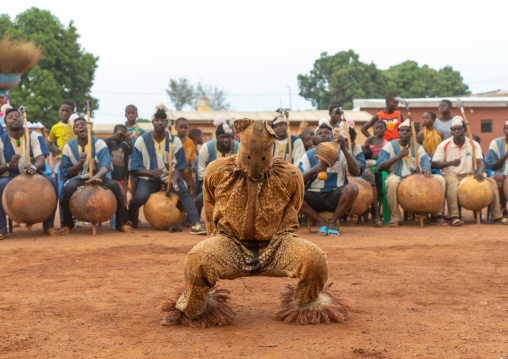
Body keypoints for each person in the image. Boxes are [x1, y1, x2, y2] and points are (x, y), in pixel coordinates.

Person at [159, 119, 350, 327]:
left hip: (277, 245)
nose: (255, 167)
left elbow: (293, 211)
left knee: (315, 260)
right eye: (250, 157)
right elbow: (210, 208)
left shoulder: (290, 175)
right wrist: (214, 243)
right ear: (241, 147)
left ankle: (307, 303)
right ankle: (192, 308)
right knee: (197, 259)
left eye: (262, 158)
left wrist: (281, 235)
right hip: (230, 243)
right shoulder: (217, 171)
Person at [127, 104, 206, 234]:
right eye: (157, 120)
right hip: (148, 179)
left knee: (184, 191)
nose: (159, 122)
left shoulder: (174, 141)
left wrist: (174, 179)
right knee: (140, 196)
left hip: (170, 178)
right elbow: (135, 168)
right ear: (152, 122)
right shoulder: (141, 141)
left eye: (162, 120)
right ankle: (129, 218)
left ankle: (196, 224)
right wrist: (151, 172)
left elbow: (180, 166)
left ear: (166, 122)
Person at [59, 117, 134, 234]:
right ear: (74, 131)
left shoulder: (99, 143)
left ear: (88, 128)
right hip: (78, 178)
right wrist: (80, 163)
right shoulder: (68, 147)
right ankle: (67, 224)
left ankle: (121, 223)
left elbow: (105, 166)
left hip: (98, 176)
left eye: (83, 124)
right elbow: (66, 172)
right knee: (67, 189)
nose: (80, 126)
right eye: (77, 125)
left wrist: (96, 176)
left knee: (115, 187)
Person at [432, 117, 508, 226]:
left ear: (465, 130)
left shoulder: (473, 144)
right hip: (451, 174)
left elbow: (480, 161)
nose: (457, 131)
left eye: (459, 129)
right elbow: (434, 163)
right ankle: (454, 216)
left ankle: (497, 216)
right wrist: (450, 163)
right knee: (453, 184)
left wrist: (480, 172)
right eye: (454, 129)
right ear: (451, 131)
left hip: (469, 175)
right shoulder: (444, 144)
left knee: (492, 183)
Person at [0, 108, 59, 239]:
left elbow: (41, 158)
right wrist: (10, 165)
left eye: (17, 116)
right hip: (10, 177)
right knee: (0, 186)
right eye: (11, 117)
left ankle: (48, 225)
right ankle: (1, 228)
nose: (15, 118)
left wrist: (33, 167)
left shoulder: (34, 136)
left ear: (22, 119)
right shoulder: (0, 141)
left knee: (53, 182)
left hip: (34, 174)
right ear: (5, 123)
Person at [376, 120, 446, 226]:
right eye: (402, 130)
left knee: (440, 179)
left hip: (416, 179)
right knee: (392, 182)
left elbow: (425, 161)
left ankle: (436, 215)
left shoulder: (417, 147)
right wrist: (398, 156)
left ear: (411, 133)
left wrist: (426, 168)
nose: (404, 133)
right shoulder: (389, 146)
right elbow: (380, 166)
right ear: (398, 132)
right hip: (397, 176)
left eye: (407, 130)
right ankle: (395, 217)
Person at [298, 121, 361, 236]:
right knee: (292, 193)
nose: (323, 135)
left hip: (335, 197)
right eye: (320, 133)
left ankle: (332, 222)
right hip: (313, 197)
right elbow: (298, 180)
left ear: (333, 137)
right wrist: (315, 169)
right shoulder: (308, 155)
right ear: (315, 139)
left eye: (327, 133)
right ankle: (320, 221)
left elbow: (357, 172)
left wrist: (345, 149)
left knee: (352, 188)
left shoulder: (341, 153)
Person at [104, 124, 133, 207]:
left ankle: (122, 215)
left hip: (122, 177)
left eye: (125, 133)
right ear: (114, 133)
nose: (122, 135)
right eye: (120, 133)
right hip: (110, 176)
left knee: (123, 197)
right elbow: (99, 143)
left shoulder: (125, 146)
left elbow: (132, 150)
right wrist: (114, 137)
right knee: (112, 198)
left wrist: (128, 138)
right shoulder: (108, 143)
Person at [484, 120, 508, 216]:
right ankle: (503, 210)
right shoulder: (495, 143)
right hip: (501, 174)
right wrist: (506, 155)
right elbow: (491, 165)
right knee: (498, 179)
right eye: (507, 128)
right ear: (504, 130)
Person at [174, 117, 197, 197]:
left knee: (188, 189)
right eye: (181, 127)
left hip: (187, 171)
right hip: (175, 170)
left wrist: (193, 166)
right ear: (175, 127)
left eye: (185, 128)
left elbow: (191, 157)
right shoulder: (172, 141)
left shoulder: (190, 142)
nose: (183, 130)